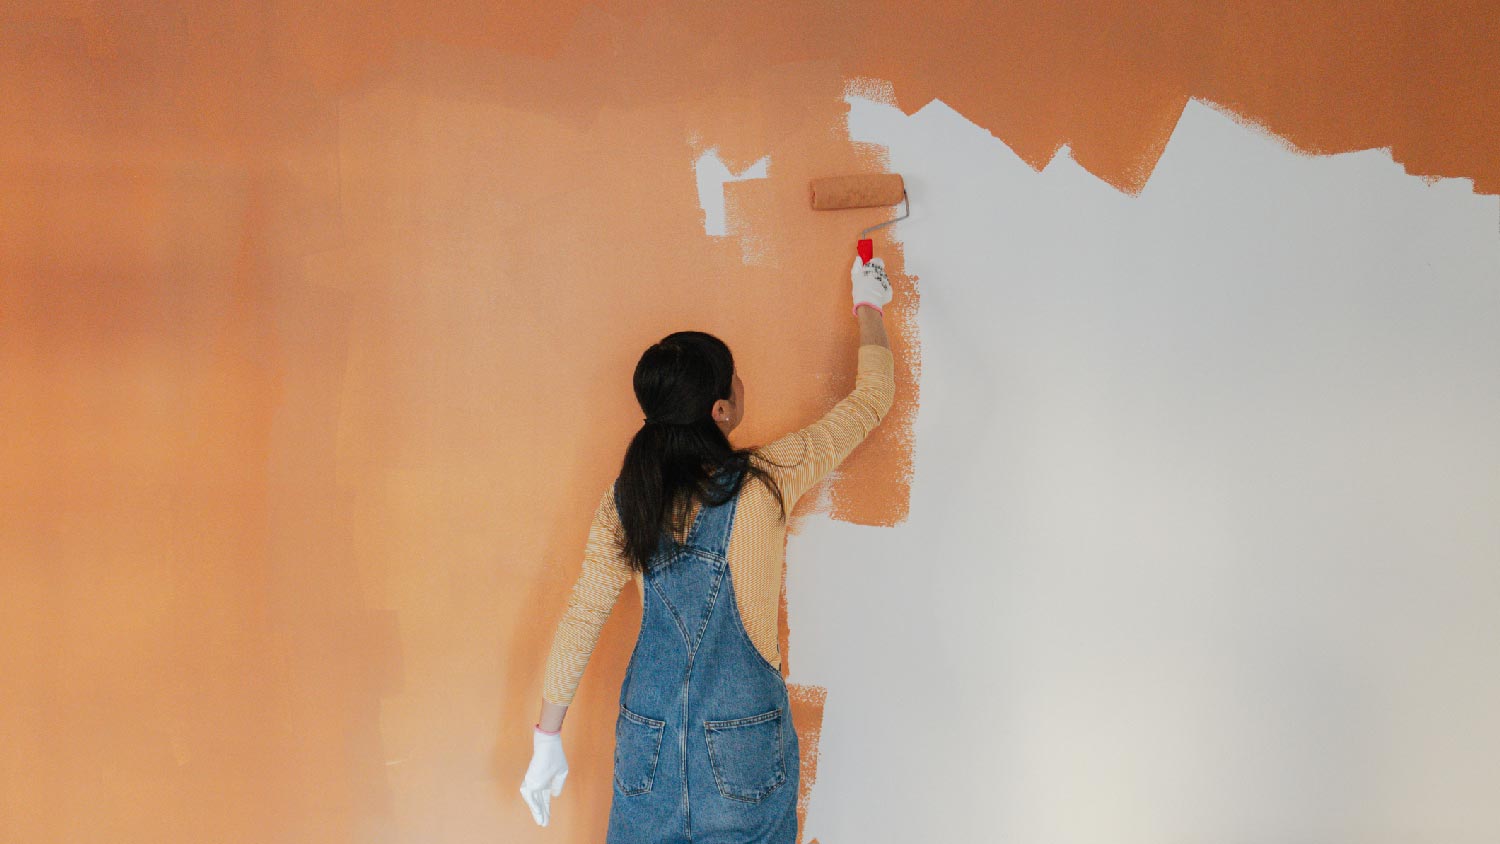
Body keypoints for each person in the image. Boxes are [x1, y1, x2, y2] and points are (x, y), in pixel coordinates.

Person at [519, 255, 898, 842]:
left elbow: (584, 614)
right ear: (722, 411)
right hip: (742, 747)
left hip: (649, 743)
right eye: (735, 378)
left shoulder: (627, 500)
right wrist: (868, 306)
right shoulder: (769, 479)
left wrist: (547, 739)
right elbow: (872, 398)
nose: (742, 385)